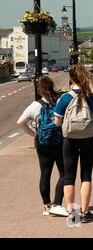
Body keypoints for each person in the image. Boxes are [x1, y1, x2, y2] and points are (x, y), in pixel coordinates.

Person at [17, 76, 69, 217]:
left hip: (42, 143)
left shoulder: (35, 105)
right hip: (59, 142)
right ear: (52, 87)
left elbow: (20, 122)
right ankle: (57, 204)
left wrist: (34, 134)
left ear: (40, 90)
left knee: (45, 174)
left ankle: (47, 206)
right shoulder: (60, 101)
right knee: (64, 174)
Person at [54, 64, 93, 223]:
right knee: (86, 175)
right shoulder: (92, 97)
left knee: (69, 177)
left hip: (69, 140)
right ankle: (85, 212)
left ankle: (72, 214)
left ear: (71, 79)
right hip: (88, 139)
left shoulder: (65, 98)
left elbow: (57, 120)